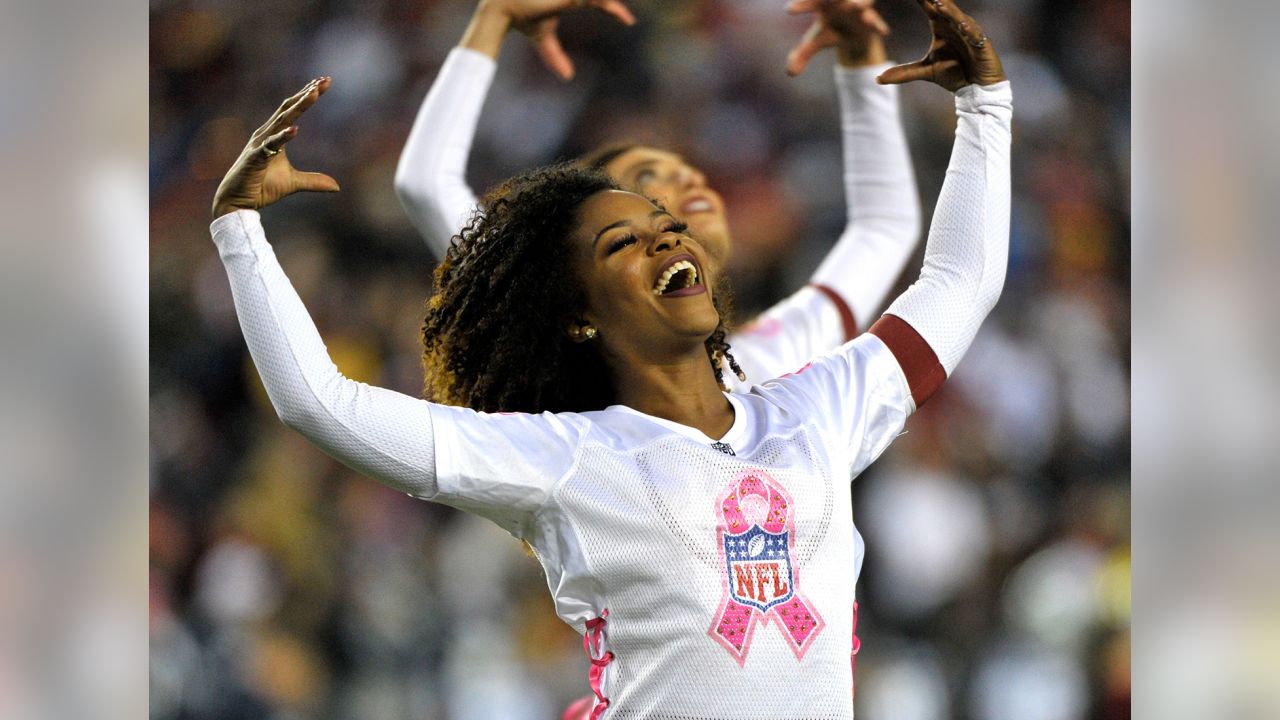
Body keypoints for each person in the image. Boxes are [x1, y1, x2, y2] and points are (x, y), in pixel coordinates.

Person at [207, 0, 1010, 715]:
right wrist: (240, 229)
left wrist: (985, 105)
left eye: (667, 214)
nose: (669, 224)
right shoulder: (564, 455)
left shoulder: (813, 396)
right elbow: (319, 402)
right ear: (578, 315)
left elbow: (954, 277)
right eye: (624, 236)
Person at [394, 0, 922, 388]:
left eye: (685, 169)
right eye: (647, 185)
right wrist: (494, 18)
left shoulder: (766, 356)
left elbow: (884, 230)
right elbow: (425, 183)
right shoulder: (574, 397)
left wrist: (861, 57)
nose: (688, 181)